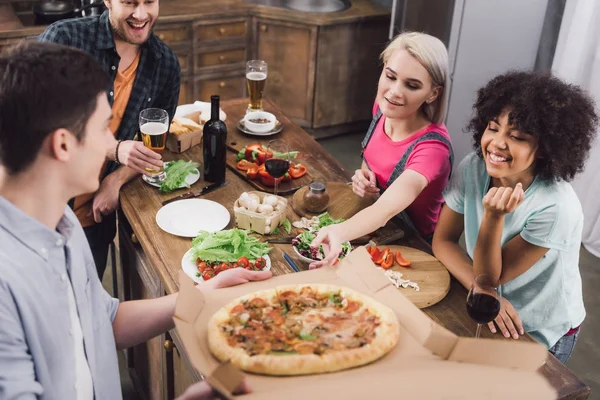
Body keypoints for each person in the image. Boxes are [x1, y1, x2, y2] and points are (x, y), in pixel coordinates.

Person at [0, 42, 271, 399]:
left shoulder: (60, 220)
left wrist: (203, 294)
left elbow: (101, 321)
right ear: (63, 146)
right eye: (103, 128)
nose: (112, 143)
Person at [432, 71, 597, 364]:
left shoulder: (556, 207)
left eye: (517, 136)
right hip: (493, 307)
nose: (497, 143)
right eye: (493, 128)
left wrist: (494, 218)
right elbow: (443, 241)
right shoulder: (473, 168)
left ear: (545, 149)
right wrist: (480, 289)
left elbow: (491, 277)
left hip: (537, 329)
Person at [38, 0, 180, 279]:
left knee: (88, 313)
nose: (141, 14)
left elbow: (151, 150)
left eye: (149, 2)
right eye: (129, 2)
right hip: (40, 214)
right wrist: (113, 148)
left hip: (93, 219)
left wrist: (116, 180)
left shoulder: (165, 65)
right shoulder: (64, 39)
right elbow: (34, 121)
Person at [310, 31, 453, 268]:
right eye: (391, 76)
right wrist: (364, 179)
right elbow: (374, 165)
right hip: (376, 226)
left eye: (412, 85)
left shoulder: (432, 149)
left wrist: (339, 231)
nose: (395, 91)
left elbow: (386, 209)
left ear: (433, 93)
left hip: (413, 247)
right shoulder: (383, 107)